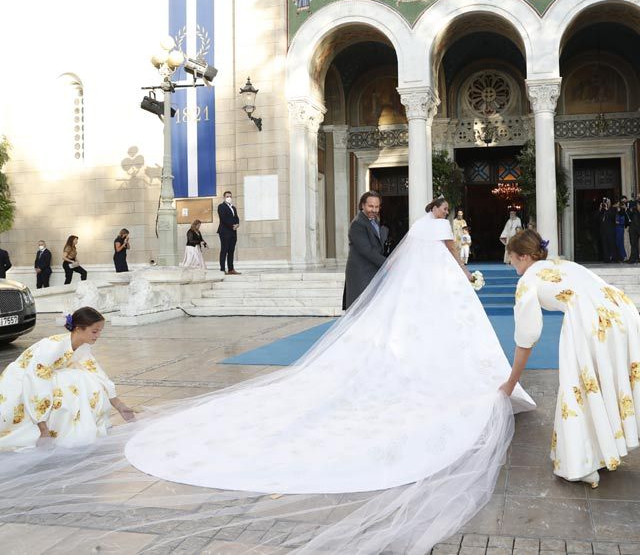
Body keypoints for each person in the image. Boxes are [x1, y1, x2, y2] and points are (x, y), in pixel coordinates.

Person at [123, 197, 535, 551]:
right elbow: (449, 254)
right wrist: (465, 272)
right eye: (443, 207)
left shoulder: (416, 226)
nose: (444, 211)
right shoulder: (429, 228)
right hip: (432, 281)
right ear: (439, 210)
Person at [499, 229, 640, 488]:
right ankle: (605, 451)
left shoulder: (527, 280)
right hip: (621, 311)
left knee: (579, 385)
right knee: (603, 381)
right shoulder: (561, 263)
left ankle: (582, 463)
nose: (509, 262)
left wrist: (511, 382)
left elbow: (527, 336)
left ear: (524, 257)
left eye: (511, 257)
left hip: (591, 321)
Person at [0, 307, 135, 449]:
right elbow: (34, 380)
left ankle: (68, 429)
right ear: (78, 328)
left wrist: (119, 405)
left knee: (85, 378)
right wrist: (43, 428)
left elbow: (97, 373)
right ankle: (47, 428)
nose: (98, 335)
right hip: (21, 383)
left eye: (100, 331)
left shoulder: (82, 347)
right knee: (75, 380)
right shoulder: (53, 347)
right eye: (94, 331)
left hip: (41, 379)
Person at [343, 190, 387, 309]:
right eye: (370, 206)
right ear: (362, 205)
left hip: (372, 271)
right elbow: (366, 251)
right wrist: (388, 263)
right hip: (361, 273)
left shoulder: (374, 221)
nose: (374, 210)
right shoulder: (358, 224)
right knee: (359, 311)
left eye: (377, 207)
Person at [217, 191, 240, 275]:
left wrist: (237, 224)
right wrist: (232, 226)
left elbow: (236, 217)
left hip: (233, 232)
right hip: (224, 231)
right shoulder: (221, 206)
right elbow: (223, 218)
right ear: (224, 197)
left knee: (231, 251)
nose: (229, 198)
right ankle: (222, 269)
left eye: (230, 196)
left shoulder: (233, 208)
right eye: (227, 196)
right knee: (224, 250)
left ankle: (231, 269)